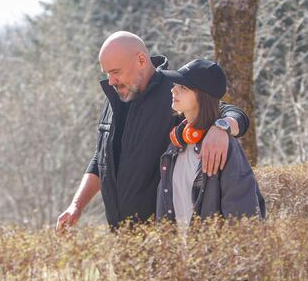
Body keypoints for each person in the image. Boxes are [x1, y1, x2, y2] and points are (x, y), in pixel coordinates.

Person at [56, 31, 250, 232]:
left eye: (116, 72)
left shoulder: (174, 93)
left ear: (141, 60)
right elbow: (103, 158)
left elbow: (232, 113)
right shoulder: (114, 96)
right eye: (107, 73)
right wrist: (76, 205)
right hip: (120, 239)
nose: (111, 81)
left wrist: (221, 128)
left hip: (163, 240)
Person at [156, 58, 265, 227]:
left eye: (183, 87)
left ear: (202, 97)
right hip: (180, 252)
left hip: (212, 252)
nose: (173, 90)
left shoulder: (224, 147)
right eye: (175, 85)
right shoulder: (175, 146)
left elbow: (244, 220)